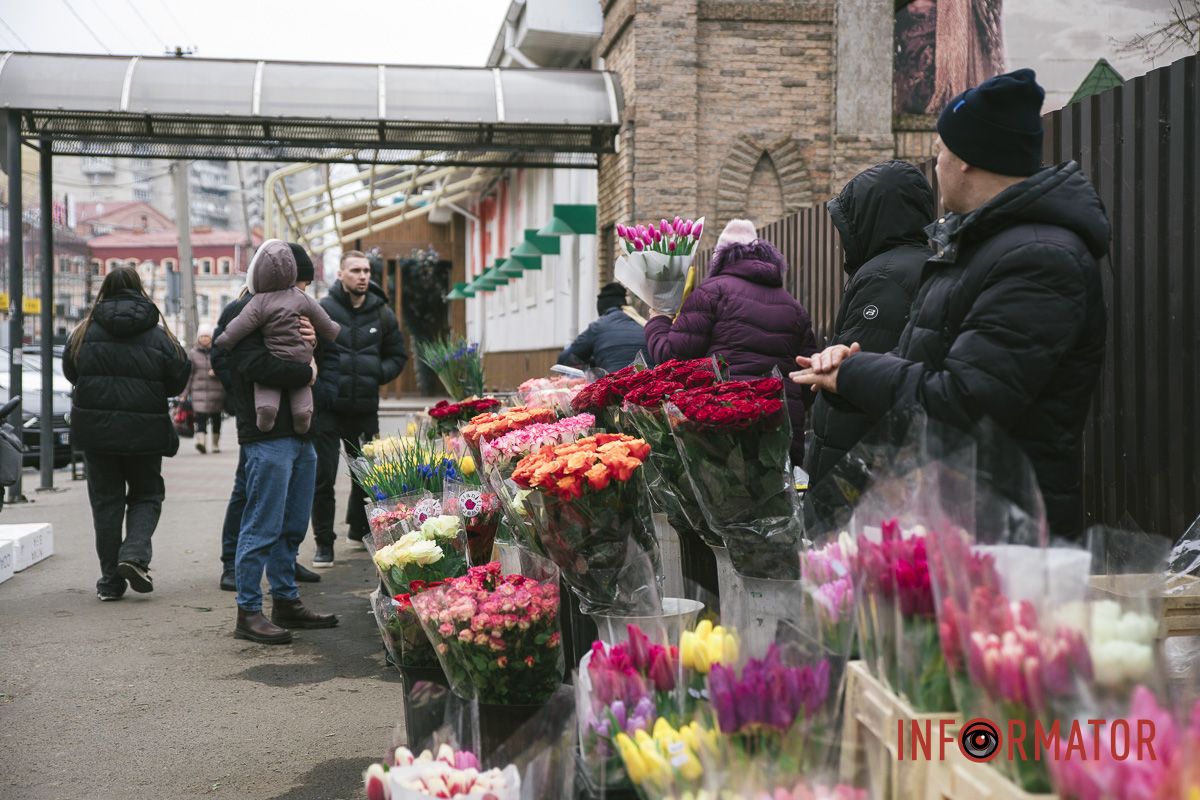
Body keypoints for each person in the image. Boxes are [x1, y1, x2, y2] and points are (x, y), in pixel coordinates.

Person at [793, 69, 1109, 539]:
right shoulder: (981, 246)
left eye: (939, 149)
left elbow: (965, 398)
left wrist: (853, 375)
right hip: (955, 522)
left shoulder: (1039, 258)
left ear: (966, 160)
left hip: (1005, 536)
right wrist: (858, 359)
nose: (935, 162)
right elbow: (924, 361)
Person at [220, 242, 341, 644]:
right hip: (266, 436)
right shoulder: (243, 312)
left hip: (302, 434)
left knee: (291, 525)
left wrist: (314, 348)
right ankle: (249, 611)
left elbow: (331, 347)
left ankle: (286, 600)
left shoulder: (299, 308)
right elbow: (251, 366)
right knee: (262, 525)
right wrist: (305, 371)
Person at [63, 267, 192, 601]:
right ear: (140, 290)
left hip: (97, 435)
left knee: (106, 504)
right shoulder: (159, 334)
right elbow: (178, 378)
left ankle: (110, 582)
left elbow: (70, 371)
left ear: (103, 290)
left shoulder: (83, 331)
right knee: (147, 495)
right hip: (145, 433)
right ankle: (133, 556)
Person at [645, 218, 818, 464]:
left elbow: (672, 356)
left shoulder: (711, 292)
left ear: (719, 257)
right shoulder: (794, 307)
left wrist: (658, 319)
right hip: (781, 435)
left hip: (723, 432)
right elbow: (807, 381)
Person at [805, 161, 935, 485]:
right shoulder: (925, 264)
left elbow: (853, 386)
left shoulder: (884, 277)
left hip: (863, 473)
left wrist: (829, 486)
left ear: (871, 218)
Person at [311, 250, 407, 567]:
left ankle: (359, 529)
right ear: (341, 274)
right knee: (322, 477)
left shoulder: (382, 312)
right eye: (355, 270)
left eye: (366, 270)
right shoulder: (323, 309)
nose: (363, 276)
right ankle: (324, 543)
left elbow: (397, 354)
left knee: (365, 476)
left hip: (364, 407)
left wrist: (376, 375)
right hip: (327, 408)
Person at [214, 241, 341, 434]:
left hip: (302, 427)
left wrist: (313, 344)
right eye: (304, 283)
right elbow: (249, 362)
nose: (304, 290)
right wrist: (308, 374)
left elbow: (330, 352)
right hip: (265, 433)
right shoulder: (245, 308)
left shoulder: (304, 308)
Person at [556, 283, 645, 373]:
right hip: (650, 383)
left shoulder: (597, 327)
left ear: (601, 308)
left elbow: (564, 360)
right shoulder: (642, 324)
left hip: (615, 383)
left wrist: (591, 362)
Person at [185, 325, 226, 454]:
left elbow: (226, 368)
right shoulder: (192, 353)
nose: (204, 339)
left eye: (207, 336)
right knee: (200, 418)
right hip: (198, 392)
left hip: (217, 392)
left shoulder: (218, 351)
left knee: (216, 419)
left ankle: (215, 444)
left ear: (211, 338)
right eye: (202, 336)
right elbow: (189, 374)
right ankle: (201, 442)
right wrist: (184, 393)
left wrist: (217, 371)